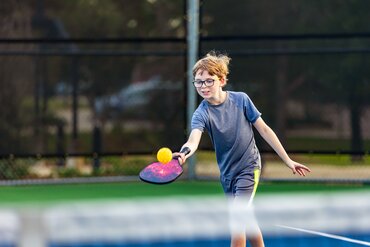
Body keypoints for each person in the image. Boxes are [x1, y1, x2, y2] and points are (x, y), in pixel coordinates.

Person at [173, 51, 311, 247]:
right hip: (227, 174)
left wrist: (287, 160)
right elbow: (193, 140)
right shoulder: (201, 113)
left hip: (249, 167)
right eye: (199, 82)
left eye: (209, 81)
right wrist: (184, 152)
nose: (203, 86)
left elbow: (264, 129)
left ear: (221, 80)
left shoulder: (241, 100)